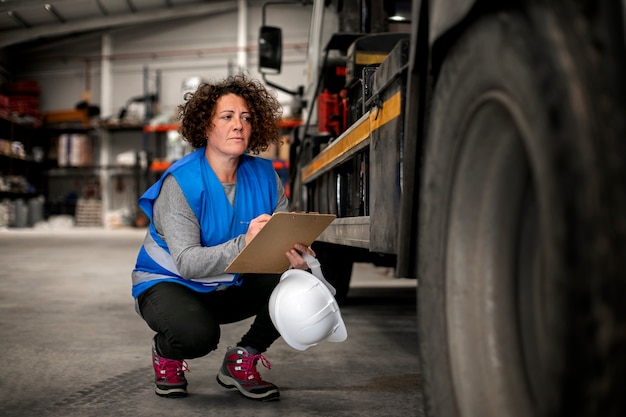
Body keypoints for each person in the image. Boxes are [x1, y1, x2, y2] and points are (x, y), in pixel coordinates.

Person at [131, 74, 316, 402]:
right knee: (198, 336)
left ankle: (242, 358)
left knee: (296, 282)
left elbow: (280, 242)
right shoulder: (181, 183)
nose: (239, 126)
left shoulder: (264, 174)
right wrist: (245, 242)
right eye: (227, 117)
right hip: (170, 284)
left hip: (227, 283)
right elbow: (187, 263)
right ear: (205, 126)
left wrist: (299, 257)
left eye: (246, 118)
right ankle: (166, 352)